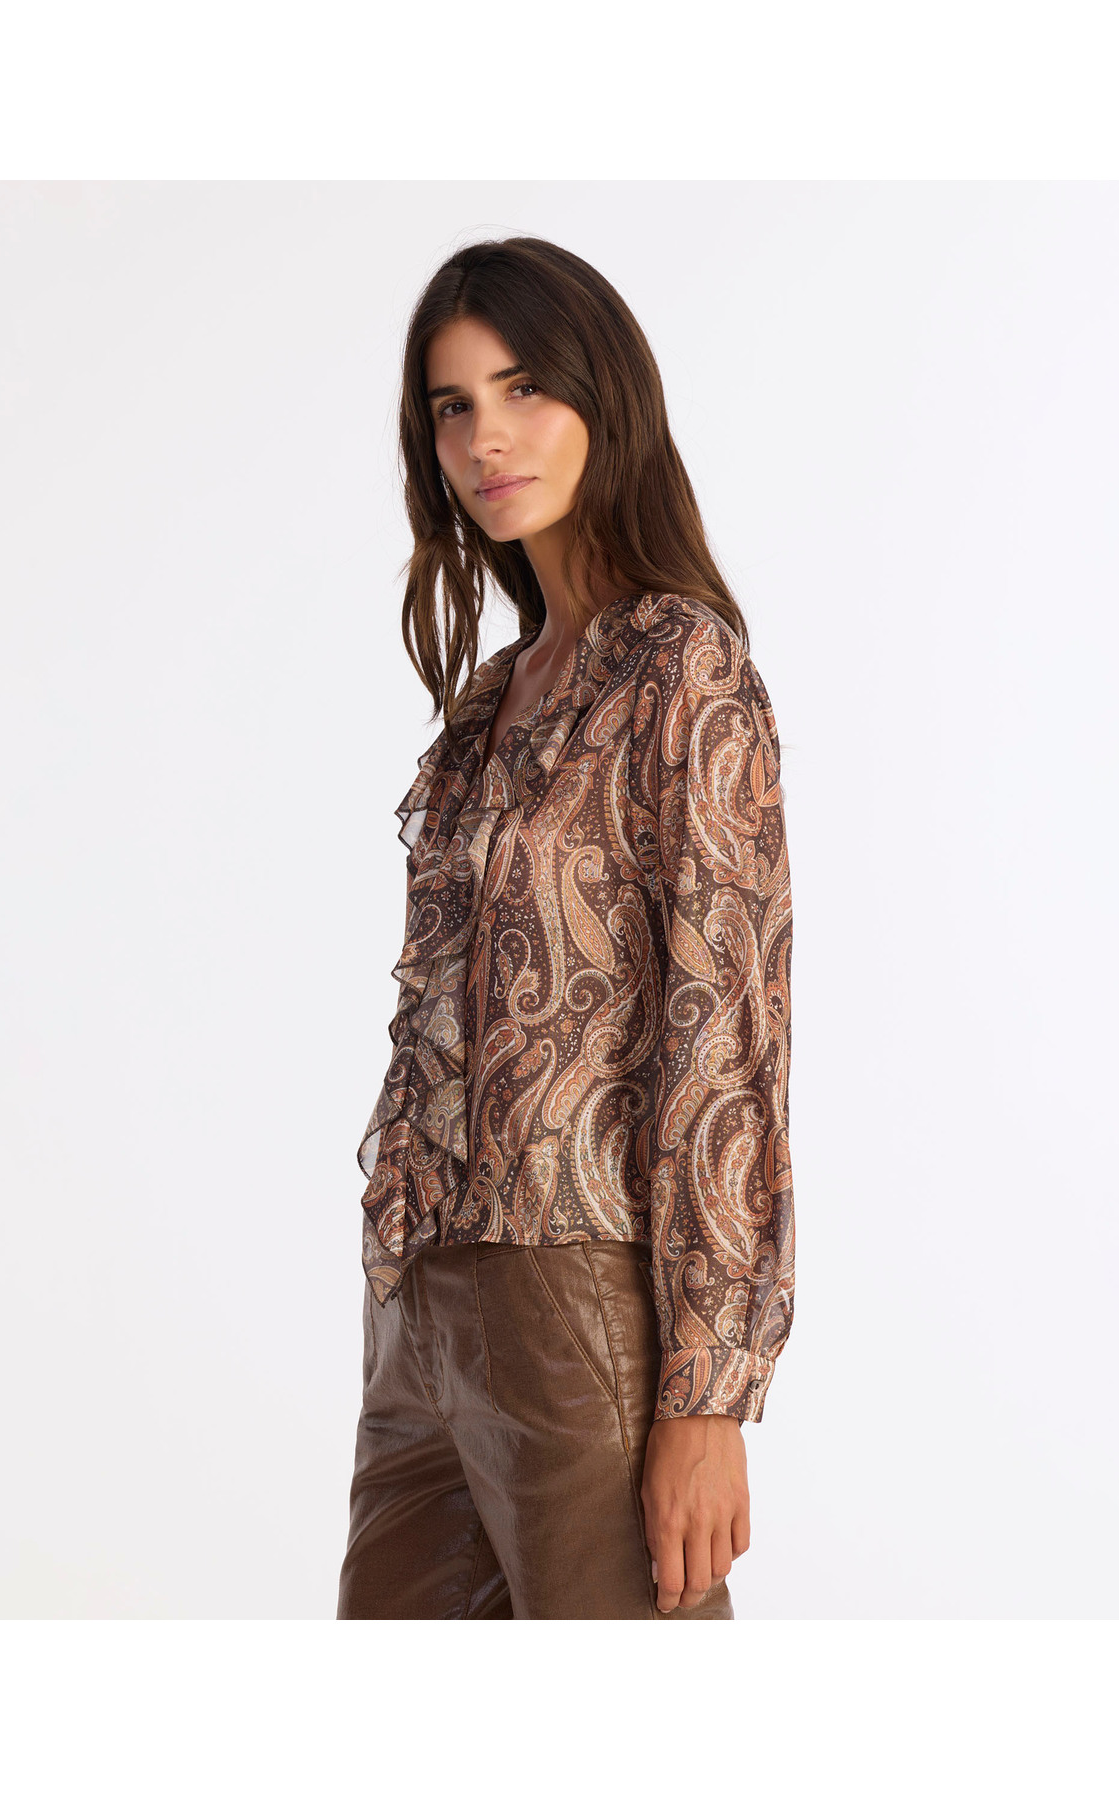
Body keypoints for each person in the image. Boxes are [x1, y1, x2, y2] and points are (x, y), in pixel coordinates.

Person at [336, 236, 795, 1620]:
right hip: (421, 1308)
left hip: (578, 1294)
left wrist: (706, 1395)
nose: (485, 437)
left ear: (607, 396)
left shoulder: (681, 665)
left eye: (523, 387)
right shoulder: (494, 696)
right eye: (453, 405)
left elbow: (723, 1030)